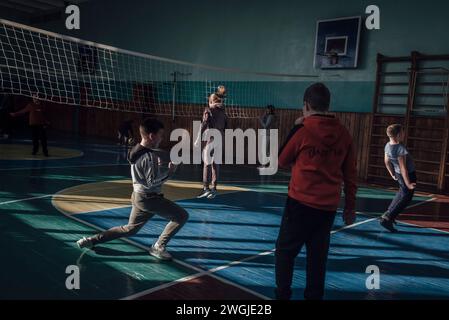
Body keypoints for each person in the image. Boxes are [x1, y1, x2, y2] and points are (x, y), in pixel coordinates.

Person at [275, 83, 357, 300]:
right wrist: (349, 209)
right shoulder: (344, 134)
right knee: (317, 259)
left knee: (285, 252)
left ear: (306, 105)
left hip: (299, 205)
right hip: (327, 209)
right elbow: (350, 176)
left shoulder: (303, 129)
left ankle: (282, 295)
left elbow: (281, 160)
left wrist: (295, 127)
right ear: (327, 105)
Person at [77, 118, 189, 260]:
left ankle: (92, 240)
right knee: (181, 216)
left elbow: (145, 174)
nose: (161, 138)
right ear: (152, 136)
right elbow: (151, 182)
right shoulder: (150, 156)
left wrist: (156, 168)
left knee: (130, 229)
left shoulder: (136, 150)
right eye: (160, 135)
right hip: (150, 198)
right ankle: (158, 246)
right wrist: (170, 171)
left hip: (138, 196)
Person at [380, 124, 417, 232]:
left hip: (398, 174)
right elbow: (403, 168)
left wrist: (392, 173)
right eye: (403, 132)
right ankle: (388, 218)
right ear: (399, 134)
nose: (404, 134)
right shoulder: (400, 148)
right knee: (406, 197)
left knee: (401, 193)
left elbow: (386, 161)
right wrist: (409, 183)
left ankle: (389, 213)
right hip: (407, 175)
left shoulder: (387, 145)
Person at [196, 85, 228, 200]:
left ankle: (206, 188)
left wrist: (198, 138)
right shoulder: (223, 112)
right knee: (216, 164)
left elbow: (204, 124)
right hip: (220, 138)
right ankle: (214, 189)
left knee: (207, 164)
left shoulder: (208, 110)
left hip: (211, 138)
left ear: (210, 101)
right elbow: (225, 126)